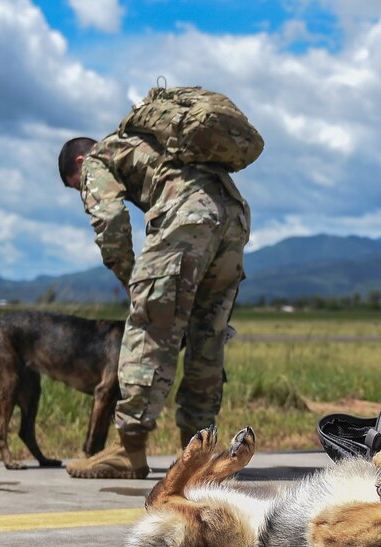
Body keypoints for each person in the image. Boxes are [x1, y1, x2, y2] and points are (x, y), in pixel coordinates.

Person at [58, 131, 250, 479]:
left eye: (76, 187)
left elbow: (111, 219)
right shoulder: (155, 146)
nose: (81, 191)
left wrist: (132, 280)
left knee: (148, 329)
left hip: (187, 216)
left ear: (79, 163)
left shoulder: (97, 160)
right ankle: (201, 455)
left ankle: (127, 450)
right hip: (233, 215)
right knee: (207, 338)